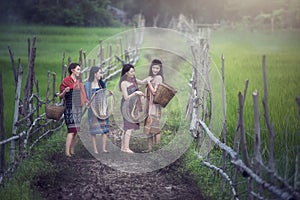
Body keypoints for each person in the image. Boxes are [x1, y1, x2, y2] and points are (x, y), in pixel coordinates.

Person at [119, 63, 151, 153]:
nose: (133, 73)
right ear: (126, 73)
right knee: (129, 127)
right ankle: (126, 148)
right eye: (131, 71)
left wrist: (150, 77)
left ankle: (123, 147)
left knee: (127, 127)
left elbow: (143, 82)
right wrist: (136, 93)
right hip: (126, 106)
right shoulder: (123, 83)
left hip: (133, 106)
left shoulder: (134, 80)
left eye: (134, 71)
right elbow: (126, 97)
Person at [59, 63, 88, 157]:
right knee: (71, 130)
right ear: (72, 70)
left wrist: (86, 102)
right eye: (78, 69)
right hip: (69, 108)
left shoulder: (79, 83)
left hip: (78, 107)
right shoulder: (66, 81)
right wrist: (64, 91)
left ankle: (72, 150)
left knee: (76, 130)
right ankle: (67, 152)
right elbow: (60, 96)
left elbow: (83, 95)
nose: (80, 71)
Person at [84, 66, 111, 154]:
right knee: (94, 131)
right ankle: (95, 150)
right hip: (93, 110)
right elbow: (86, 99)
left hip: (102, 109)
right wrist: (88, 102)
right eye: (100, 72)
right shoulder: (87, 85)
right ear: (95, 74)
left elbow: (102, 96)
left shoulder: (102, 83)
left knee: (105, 129)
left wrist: (108, 94)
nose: (101, 74)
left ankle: (103, 149)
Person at [144, 59, 164, 151]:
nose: (155, 70)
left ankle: (157, 148)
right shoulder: (150, 77)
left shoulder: (159, 78)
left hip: (155, 106)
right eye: (153, 67)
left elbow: (155, 92)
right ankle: (150, 149)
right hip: (149, 105)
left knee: (155, 128)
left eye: (157, 68)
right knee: (149, 128)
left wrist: (148, 82)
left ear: (160, 69)